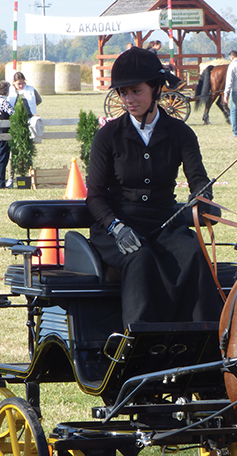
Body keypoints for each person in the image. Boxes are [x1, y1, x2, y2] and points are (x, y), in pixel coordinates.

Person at [86, 47, 223, 329]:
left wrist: (203, 197)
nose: (128, 99)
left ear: (156, 89)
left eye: (136, 91)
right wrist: (116, 227)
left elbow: (198, 178)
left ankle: (205, 338)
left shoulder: (181, 133)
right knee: (140, 257)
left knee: (195, 254)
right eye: (123, 92)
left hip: (164, 223)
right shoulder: (108, 136)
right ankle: (139, 341)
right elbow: (95, 197)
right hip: (118, 227)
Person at [0, 81, 15, 189]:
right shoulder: (4, 102)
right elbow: (13, 114)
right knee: (3, 158)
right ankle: (0, 182)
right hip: (3, 132)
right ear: (7, 91)